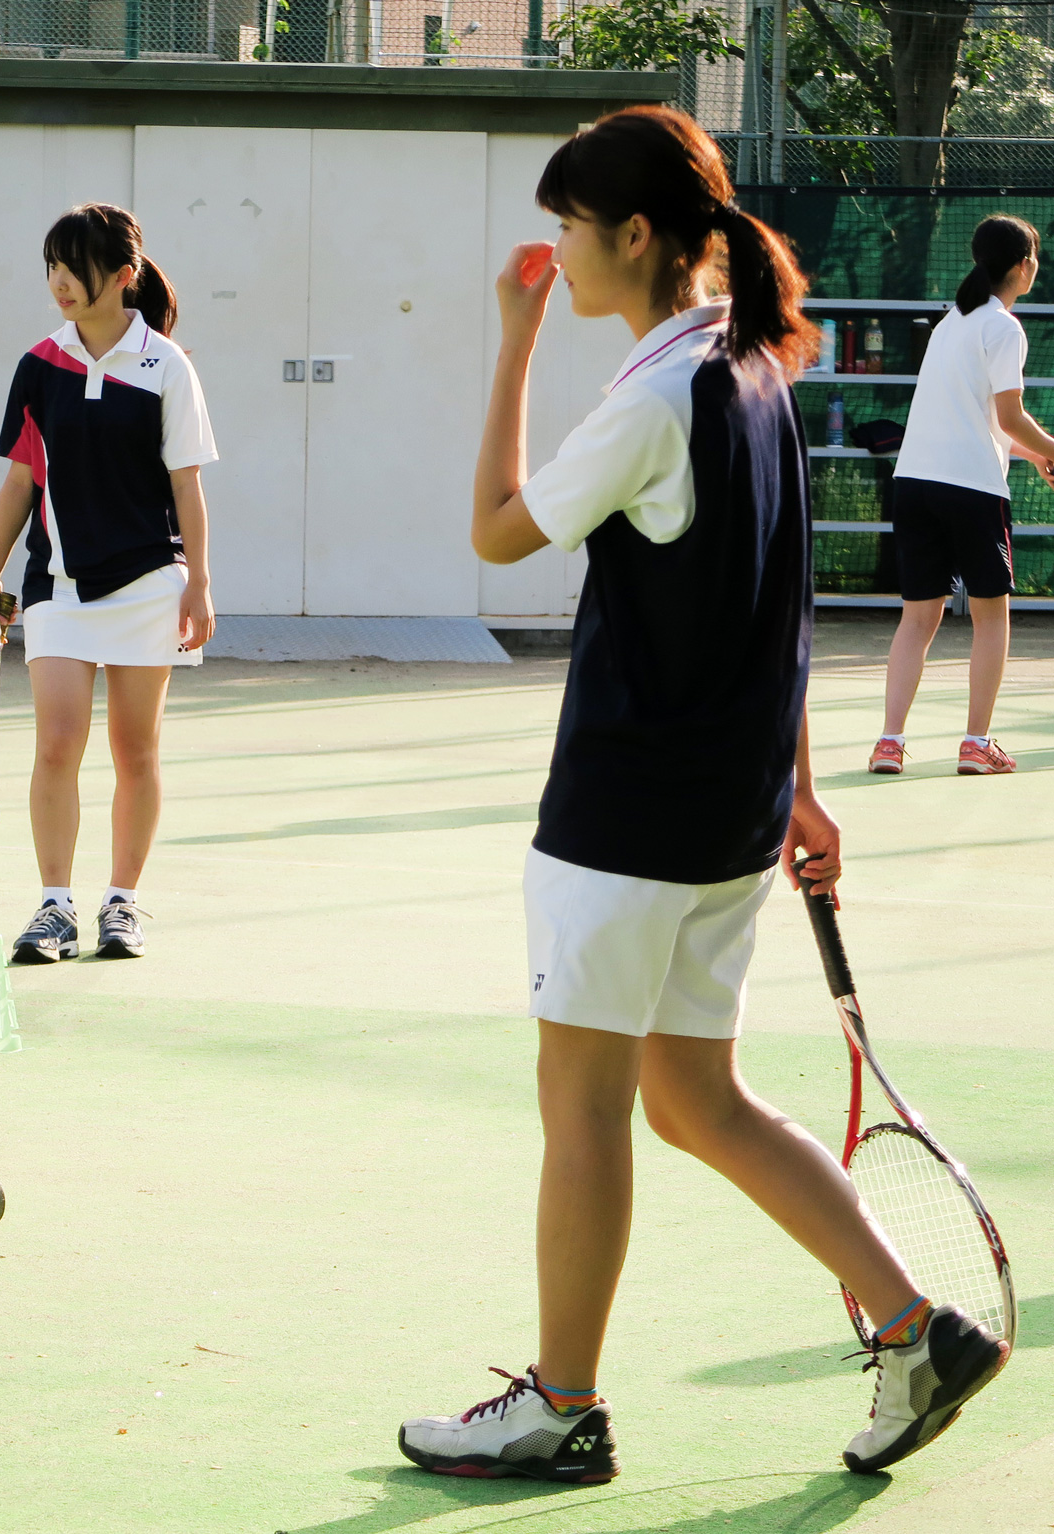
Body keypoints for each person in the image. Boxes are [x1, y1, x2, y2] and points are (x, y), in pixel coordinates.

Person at [397, 107, 1008, 1484]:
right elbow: (779, 605)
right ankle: (918, 1327)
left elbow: (495, 531)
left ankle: (561, 1400)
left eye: (569, 225)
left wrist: (511, 342)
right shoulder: (758, 370)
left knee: (585, 1107)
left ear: (630, 237)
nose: (553, 248)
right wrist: (795, 785)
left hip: (624, 815)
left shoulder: (656, 394)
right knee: (694, 1100)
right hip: (725, 816)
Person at [0, 202, 217, 965]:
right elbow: (21, 483)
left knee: (135, 750)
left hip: (151, 580)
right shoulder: (39, 365)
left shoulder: (167, 367)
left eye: (73, 267)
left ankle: (122, 902)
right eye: (50, 265)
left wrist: (199, 583)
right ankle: (55, 907)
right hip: (58, 583)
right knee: (56, 742)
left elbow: (186, 485)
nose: (58, 282)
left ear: (123, 277)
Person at [870, 214, 1054, 776]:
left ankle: (889, 743)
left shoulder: (952, 322)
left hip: (916, 484)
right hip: (971, 491)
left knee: (917, 619)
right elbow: (1010, 415)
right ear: (1022, 266)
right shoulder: (1002, 327)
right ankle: (976, 743)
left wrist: (1036, 454)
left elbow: (983, 423)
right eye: (1036, 258)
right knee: (991, 616)